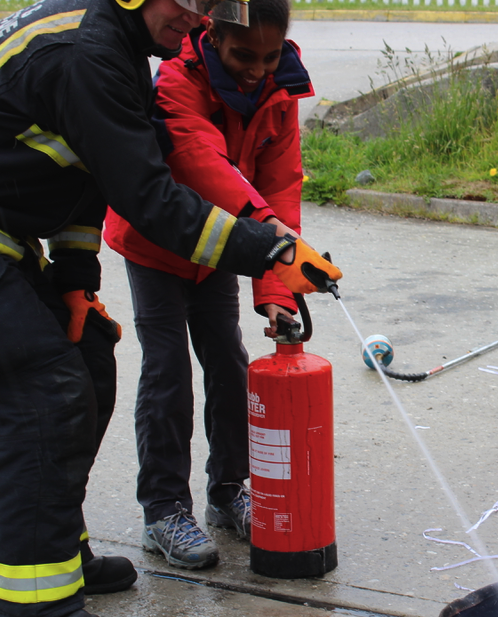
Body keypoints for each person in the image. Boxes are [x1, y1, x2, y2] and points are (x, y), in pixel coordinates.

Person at [0, 0, 340, 617]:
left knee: (87, 364)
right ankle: (29, 608)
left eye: (215, 4)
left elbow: (83, 175)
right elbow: (148, 198)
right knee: (42, 396)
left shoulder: (114, 50)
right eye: (191, 0)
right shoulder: (85, 52)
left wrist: (72, 276)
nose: (201, 17)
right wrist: (268, 250)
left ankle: (55, 549)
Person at [103, 0, 310, 569]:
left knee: (228, 360)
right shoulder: (175, 77)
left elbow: (282, 183)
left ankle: (227, 491)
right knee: (167, 367)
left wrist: (276, 290)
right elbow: (199, 160)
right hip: (160, 242)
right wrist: (269, 235)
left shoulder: (280, 89)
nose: (257, 69)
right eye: (244, 54)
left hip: (225, 244)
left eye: (269, 57)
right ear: (212, 34)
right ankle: (164, 509)